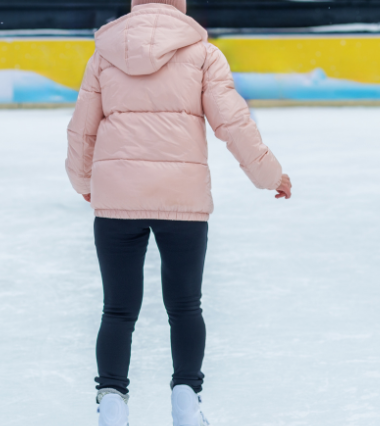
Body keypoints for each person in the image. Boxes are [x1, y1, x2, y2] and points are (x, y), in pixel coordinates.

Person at [64, 0, 293, 424]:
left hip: (117, 199)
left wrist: (85, 184)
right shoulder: (202, 52)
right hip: (181, 200)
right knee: (185, 306)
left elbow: (82, 127)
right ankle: (186, 403)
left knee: (117, 309)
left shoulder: (105, 52)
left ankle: (111, 405)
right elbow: (234, 122)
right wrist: (269, 175)